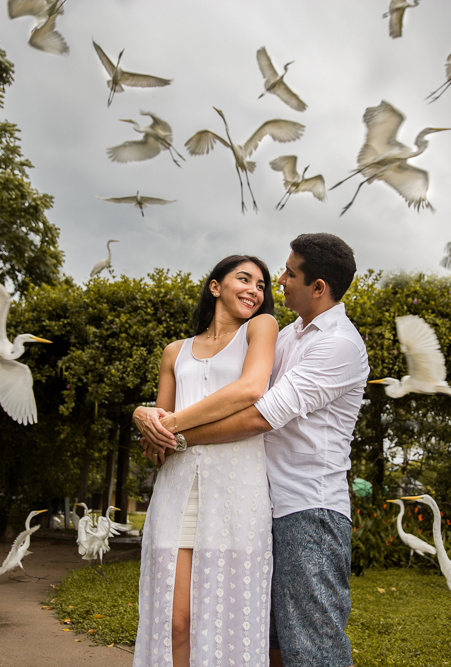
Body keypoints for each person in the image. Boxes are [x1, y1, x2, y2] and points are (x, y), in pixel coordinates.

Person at [141, 233, 369, 667]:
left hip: (309, 508)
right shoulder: (286, 336)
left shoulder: (337, 344)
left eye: (288, 273)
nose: (278, 281)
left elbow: (260, 415)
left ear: (318, 287)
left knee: (313, 645)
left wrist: (173, 433)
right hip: (261, 504)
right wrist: (146, 415)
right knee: (269, 643)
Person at [131, 255, 279, 667]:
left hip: (236, 492)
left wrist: (170, 425)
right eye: (244, 279)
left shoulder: (261, 328)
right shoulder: (174, 352)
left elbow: (250, 389)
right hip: (176, 494)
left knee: (223, 618)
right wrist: (142, 417)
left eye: (261, 285)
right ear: (215, 286)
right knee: (175, 621)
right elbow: (156, 444)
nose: (255, 290)